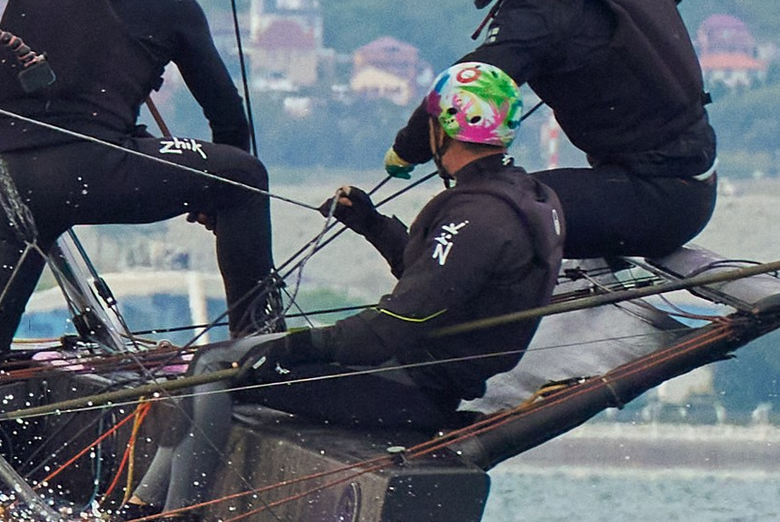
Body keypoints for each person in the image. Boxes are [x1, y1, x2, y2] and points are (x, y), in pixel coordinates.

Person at [0, 0, 276, 387]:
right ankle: (259, 357)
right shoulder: (170, 2)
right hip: (93, 168)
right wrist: (216, 195)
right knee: (245, 177)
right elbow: (228, 118)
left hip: (11, 181)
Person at [390, 0, 717, 264]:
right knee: (502, 207)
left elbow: (466, 88)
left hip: (654, 199)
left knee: (481, 216)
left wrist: (406, 150)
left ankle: (468, 321)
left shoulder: (538, 9)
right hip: (691, 174)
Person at [234, 62, 565, 439]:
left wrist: (300, 345)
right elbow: (441, 283)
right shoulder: (528, 196)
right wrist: (372, 225)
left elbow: (399, 322)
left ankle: (160, 499)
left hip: (408, 391)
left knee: (224, 375)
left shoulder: (477, 217)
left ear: (442, 129)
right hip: (423, 383)